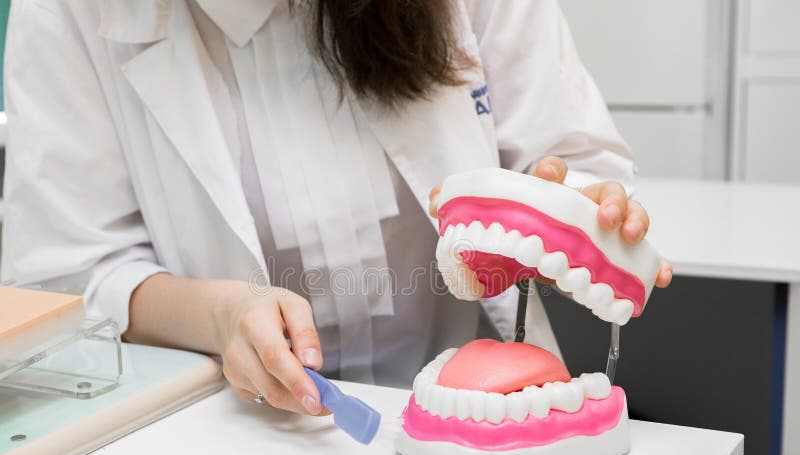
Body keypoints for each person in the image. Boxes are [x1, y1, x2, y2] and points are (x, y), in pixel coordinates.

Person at [1, 0, 671, 418]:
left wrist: (572, 216)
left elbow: (564, 151)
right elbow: (66, 278)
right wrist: (220, 313)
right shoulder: (69, 13)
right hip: (221, 440)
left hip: (477, 423)